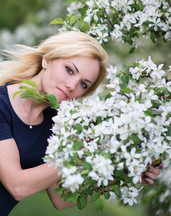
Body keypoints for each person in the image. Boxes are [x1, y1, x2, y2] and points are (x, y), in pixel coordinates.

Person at [0, 31, 162, 215]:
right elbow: (17, 186)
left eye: (84, 84)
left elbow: (61, 198)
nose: (72, 86)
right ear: (47, 59)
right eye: (69, 70)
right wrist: (79, 152)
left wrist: (126, 173)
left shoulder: (58, 124)